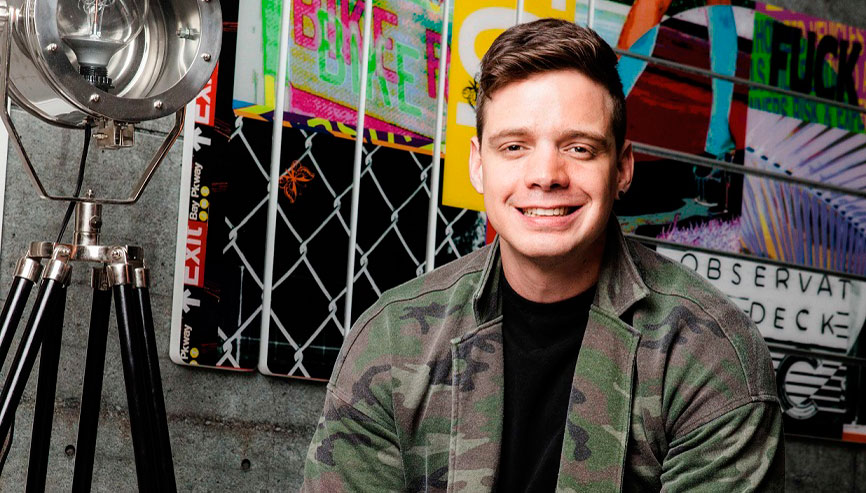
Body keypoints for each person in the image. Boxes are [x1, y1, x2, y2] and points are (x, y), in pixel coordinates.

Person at [302, 18, 783, 492]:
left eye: (579, 148)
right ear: (478, 165)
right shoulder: (393, 337)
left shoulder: (709, 354)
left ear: (622, 168)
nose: (546, 175)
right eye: (515, 146)